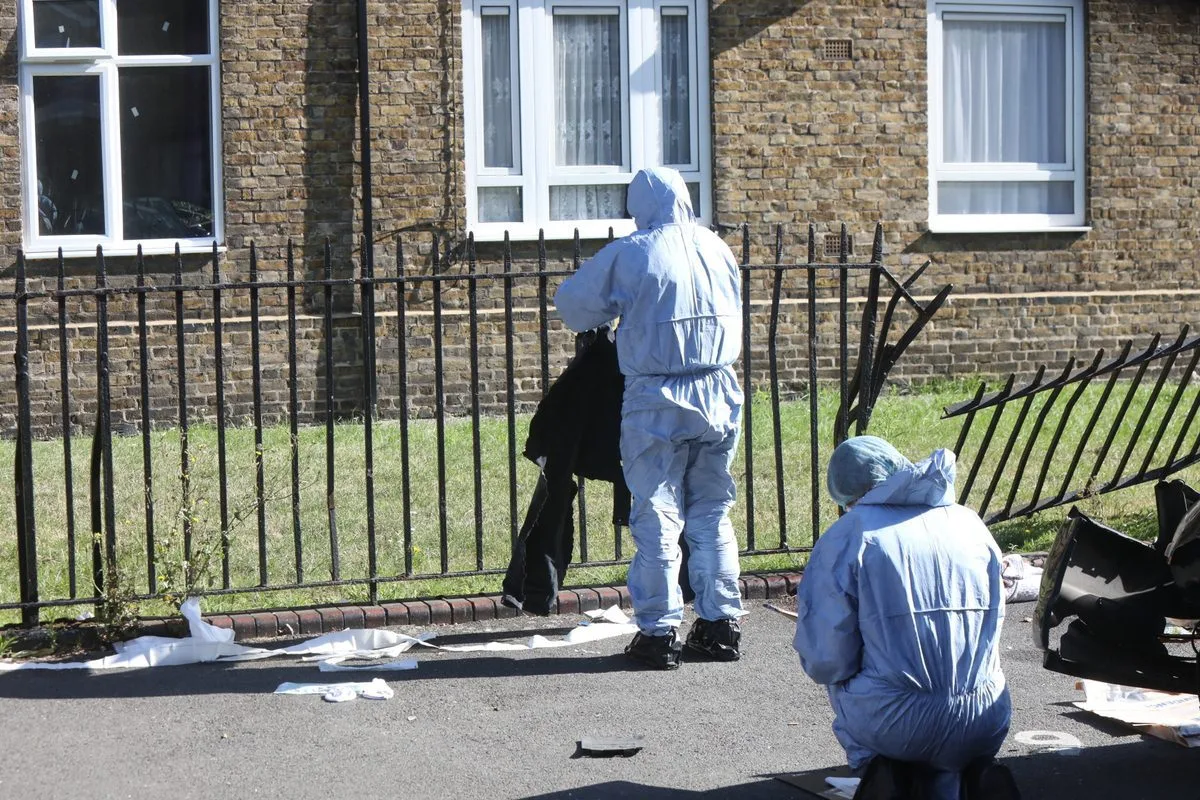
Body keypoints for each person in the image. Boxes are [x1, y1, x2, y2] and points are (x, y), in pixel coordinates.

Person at [554, 167, 745, 670]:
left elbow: (574, 307)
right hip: (720, 387)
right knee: (710, 508)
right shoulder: (717, 247)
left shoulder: (635, 251)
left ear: (641, 206)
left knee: (657, 511)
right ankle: (721, 625)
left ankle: (659, 632)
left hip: (657, 394)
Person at [794, 436, 1013, 800]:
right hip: (985, 715)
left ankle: (886, 775)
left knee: (846, 678)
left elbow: (826, 659)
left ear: (850, 495)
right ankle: (965, 777)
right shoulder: (969, 523)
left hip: (894, 722)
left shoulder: (852, 534)